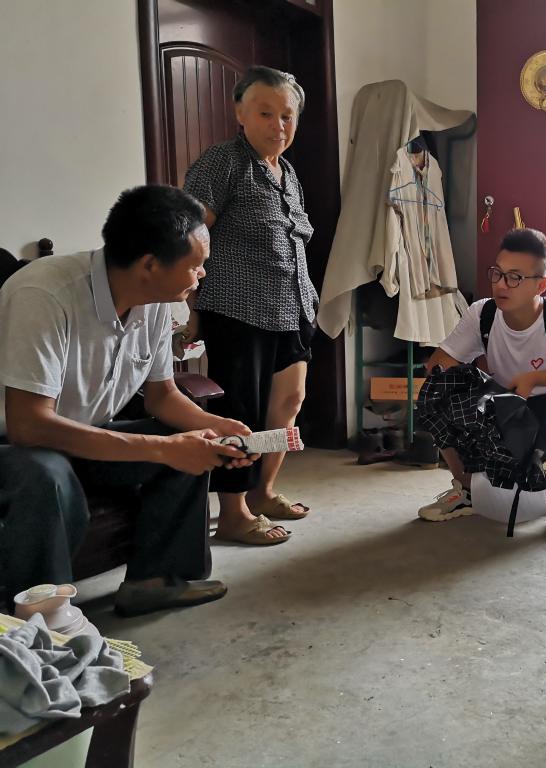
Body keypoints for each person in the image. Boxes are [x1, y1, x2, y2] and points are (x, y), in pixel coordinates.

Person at [0, 185, 256, 616]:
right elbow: (29, 426)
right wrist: (162, 449)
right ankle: (40, 620)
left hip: (82, 435)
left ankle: (154, 582)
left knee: (192, 439)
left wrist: (218, 428)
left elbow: (162, 396)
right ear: (150, 264)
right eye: (196, 265)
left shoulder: (154, 301)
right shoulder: (44, 295)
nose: (202, 275)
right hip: (17, 446)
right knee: (46, 472)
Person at [183, 65, 317, 545]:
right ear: (240, 113)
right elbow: (189, 233)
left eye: (287, 115)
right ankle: (234, 512)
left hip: (293, 306)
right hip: (238, 309)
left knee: (289, 401)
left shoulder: (287, 172)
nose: (278, 125)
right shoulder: (223, 162)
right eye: (265, 113)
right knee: (240, 410)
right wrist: (189, 304)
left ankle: (263, 491)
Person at [417, 228, 546, 542]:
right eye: (497, 273)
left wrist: (536, 378)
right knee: (438, 390)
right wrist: (461, 384)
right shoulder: (482, 314)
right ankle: (467, 491)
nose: (500, 284)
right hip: (500, 416)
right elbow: (439, 365)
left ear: (541, 285)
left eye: (515, 278)